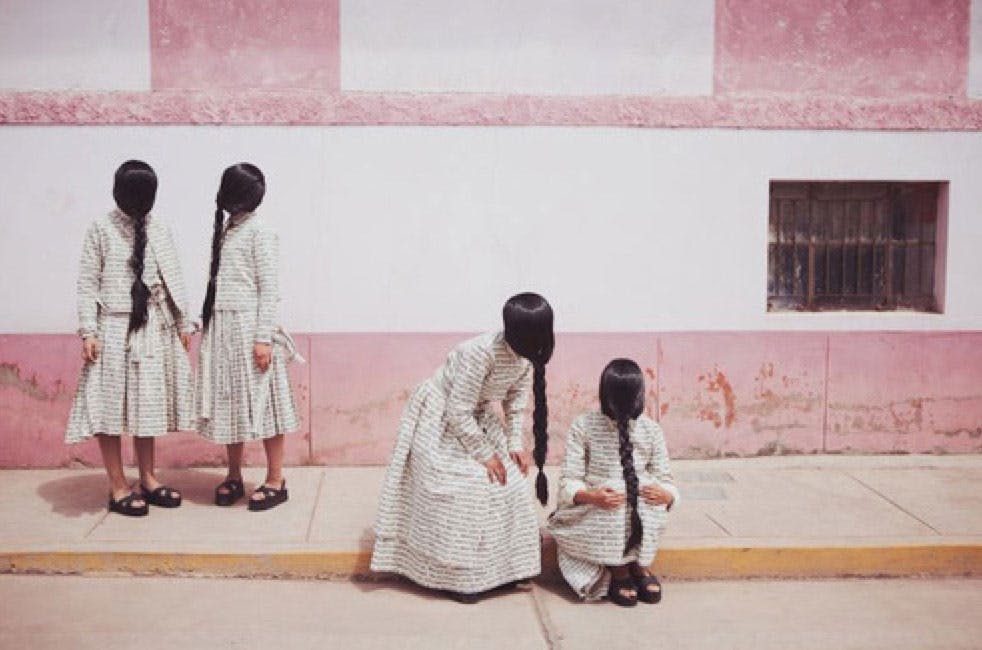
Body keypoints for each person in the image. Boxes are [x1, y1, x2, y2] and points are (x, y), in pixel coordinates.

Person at [371, 293, 554, 603]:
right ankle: (457, 578)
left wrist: (514, 444)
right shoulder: (480, 353)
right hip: (442, 418)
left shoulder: (527, 357)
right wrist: (486, 456)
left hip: (476, 418)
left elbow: (515, 403)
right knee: (467, 487)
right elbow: (457, 411)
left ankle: (507, 568)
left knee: (511, 484)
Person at [66, 160, 194, 516]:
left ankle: (148, 479)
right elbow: (87, 282)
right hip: (112, 328)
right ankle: (118, 485)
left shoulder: (160, 228)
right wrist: (88, 331)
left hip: (153, 327)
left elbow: (174, 275)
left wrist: (182, 323)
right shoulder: (101, 228)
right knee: (109, 408)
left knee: (146, 405)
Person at [195, 163, 302, 511]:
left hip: (251, 328)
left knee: (266, 404)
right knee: (230, 405)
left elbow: (269, 289)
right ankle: (234, 475)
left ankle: (276, 479)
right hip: (223, 330)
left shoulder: (261, 232)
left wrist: (263, 338)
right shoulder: (226, 230)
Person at [547, 358, 679, 606]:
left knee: (642, 494)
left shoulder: (651, 430)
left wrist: (667, 495)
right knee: (618, 494)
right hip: (595, 508)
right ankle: (619, 570)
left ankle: (639, 565)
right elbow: (569, 479)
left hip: (639, 505)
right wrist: (593, 497)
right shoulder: (583, 426)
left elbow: (665, 476)